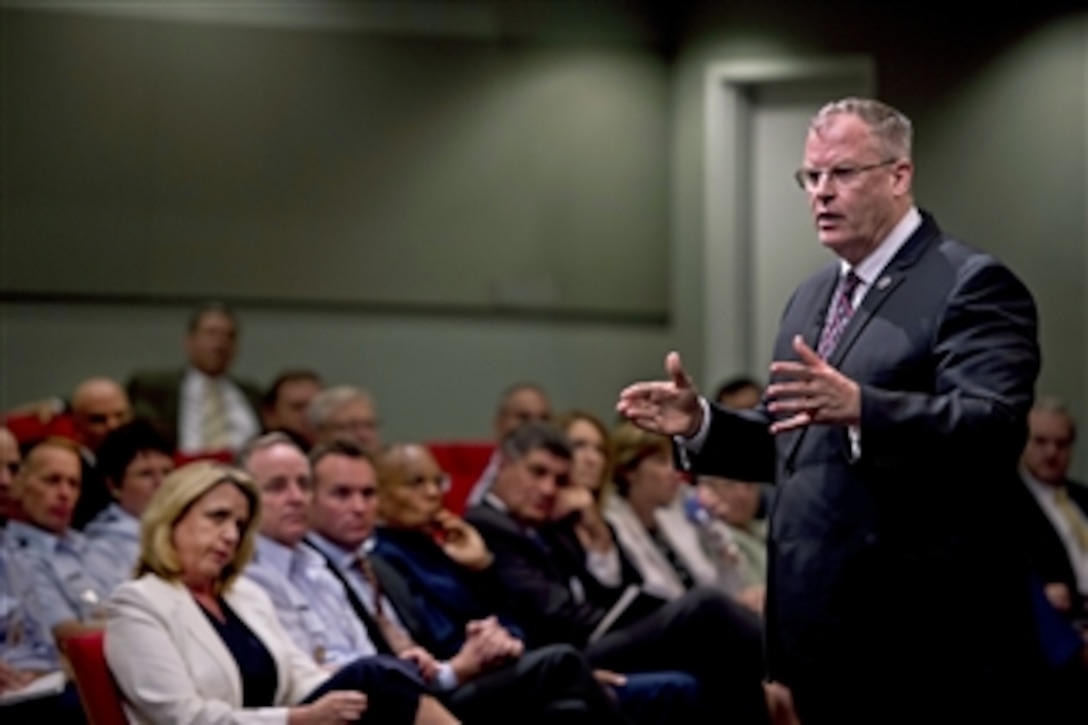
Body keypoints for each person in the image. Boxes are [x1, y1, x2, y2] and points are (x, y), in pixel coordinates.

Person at [617, 97, 1045, 724]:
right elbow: (792, 441)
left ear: (899, 175)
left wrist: (865, 409)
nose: (820, 192)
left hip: (922, 637)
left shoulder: (970, 283)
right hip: (814, 629)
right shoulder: (813, 294)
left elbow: (994, 424)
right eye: (810, 176)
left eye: (841, 173)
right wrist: (704, 424)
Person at [105, 460, 457, 724]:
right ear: (171, 519)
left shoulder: (245, 595)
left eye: (240, 525)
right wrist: (294, 719)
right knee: (380, 679)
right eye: (218, 517)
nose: (231, 535)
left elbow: (299, 676)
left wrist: (396, 668)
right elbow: (183, 718)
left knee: (381, 679)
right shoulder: (140, 603)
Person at [127, 302, 262, 454]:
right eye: (211, 333)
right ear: (189, 341)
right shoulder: (153, 387)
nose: (220, 343)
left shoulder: (252, 393)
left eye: (230, 336)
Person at [84, 419, 176, 592]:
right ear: (114, 486)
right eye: (145, 474)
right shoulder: (101, 552)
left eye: (167, 472)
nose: (161, 483)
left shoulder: (193, 530)